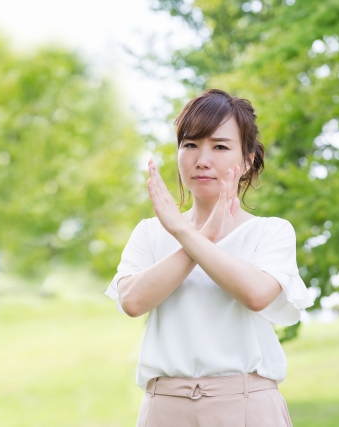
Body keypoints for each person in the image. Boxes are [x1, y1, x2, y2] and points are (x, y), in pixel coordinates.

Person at [104, 89, 314, 426]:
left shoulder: (271, 232)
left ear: (247, 161)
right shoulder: (150, 231)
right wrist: (198, 235)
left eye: (219, 146)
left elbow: (257, 294)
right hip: (164, 407)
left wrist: (186, 233)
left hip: (246, 405)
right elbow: (132, 301)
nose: (202, 159)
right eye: (190, 145)